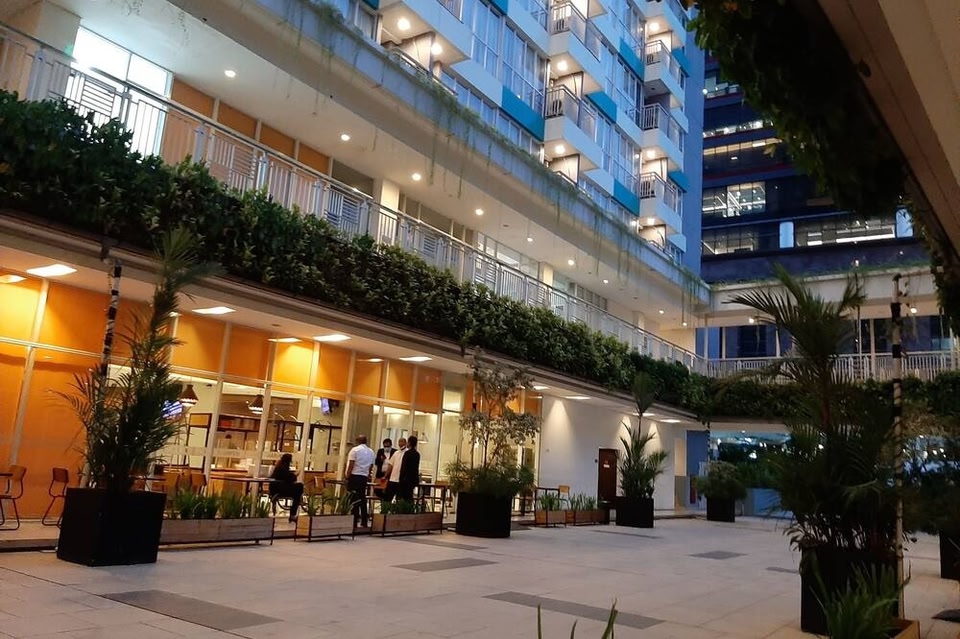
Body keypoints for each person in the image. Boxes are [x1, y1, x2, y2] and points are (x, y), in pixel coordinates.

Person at [344, 434, 375, 527]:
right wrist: (367, 475)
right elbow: (371, 466)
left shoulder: (355, 450)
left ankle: (354, 520)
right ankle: (364, 520)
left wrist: (347, 476)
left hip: (354, 476)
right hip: (363, 477)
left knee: (353, 499)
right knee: (362, 498)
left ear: (357, 441)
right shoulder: (371, 452)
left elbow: (351, 464)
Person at [268, 453, 303, 522]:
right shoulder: (282, 468)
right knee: (299, 488)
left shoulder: (280, 467)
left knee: (297, 492)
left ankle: (293, 513)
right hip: (279, 489)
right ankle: (293, 514)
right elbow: (290, 478)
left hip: (277, 488)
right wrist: (295, 474)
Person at [382, 437, 407, 503]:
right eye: (399, 441)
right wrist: (385, 476)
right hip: (393, 478)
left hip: (401, 479)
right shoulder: (396, 453)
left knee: (399, 498)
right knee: (388, 497)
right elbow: (390, 465)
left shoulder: (407, 453)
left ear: (405, 443)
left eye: (402, 441)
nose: (400, 443)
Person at [398, 435, 421, 502]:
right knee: (410, 496)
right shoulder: (417, 454)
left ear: (410, 443)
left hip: (405, 479)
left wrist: (400, 478)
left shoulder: (407, 453)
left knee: (404, 497)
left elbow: (403, 467)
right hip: (413, 479)